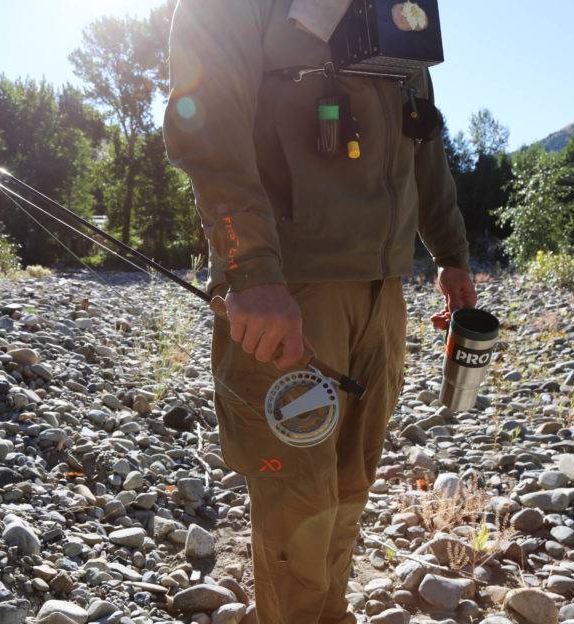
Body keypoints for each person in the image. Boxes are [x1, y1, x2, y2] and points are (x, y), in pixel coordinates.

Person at [163, 1, 477, 622]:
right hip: (289, 294)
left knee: (349, 486)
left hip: (382, 290)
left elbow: (426, 139)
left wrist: (451, 253)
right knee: (297, 497)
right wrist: (251, 272)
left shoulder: (399, 10)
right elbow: (208, 125)